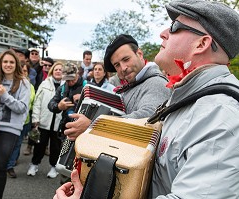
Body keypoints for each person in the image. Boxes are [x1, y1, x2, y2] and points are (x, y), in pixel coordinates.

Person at [53, 0, 239, 198]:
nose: (163, 33)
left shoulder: (220, 116)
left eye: (175, 27)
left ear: (202, 43)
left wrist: (93, 128)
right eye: (117, 65)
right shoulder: (190, 99)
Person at [63, 34, 170, 140]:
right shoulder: (131, 86)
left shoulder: (157, 83)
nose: (123, 68)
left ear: (139, 54)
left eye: (126, 59)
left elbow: (147, 120)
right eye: (117, 65)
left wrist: (92, 126)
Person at [0, 49, 30, 199]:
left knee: (0, 164)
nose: (8, 64)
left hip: (11, 129)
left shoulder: (24, 83)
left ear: (16, 64)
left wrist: (5, 95)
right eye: (5, 62)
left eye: (11, 62)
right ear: (0, 64)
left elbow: (22, 108)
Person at [27, 61, 64, 178]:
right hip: (43, 121)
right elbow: (37, 103)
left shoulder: (67, 86)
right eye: (56, 69)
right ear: (52, 71)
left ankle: (54, 167)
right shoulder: (44, 84)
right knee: (39, 145)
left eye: (61, 70)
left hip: (58, 123)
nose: (58, 71)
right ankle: (34, 164)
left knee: (56, 147)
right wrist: (35, 119)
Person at [6, 61, 35, 178]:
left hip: (24, 121)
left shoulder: (30, 86)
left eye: (25, 71)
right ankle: (0, 166)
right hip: (9, 120)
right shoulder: (11, 84)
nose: (23, 73)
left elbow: (31, 102)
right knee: (6, 144)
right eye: (21, 71)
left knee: (17, 144)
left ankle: (10, 166)